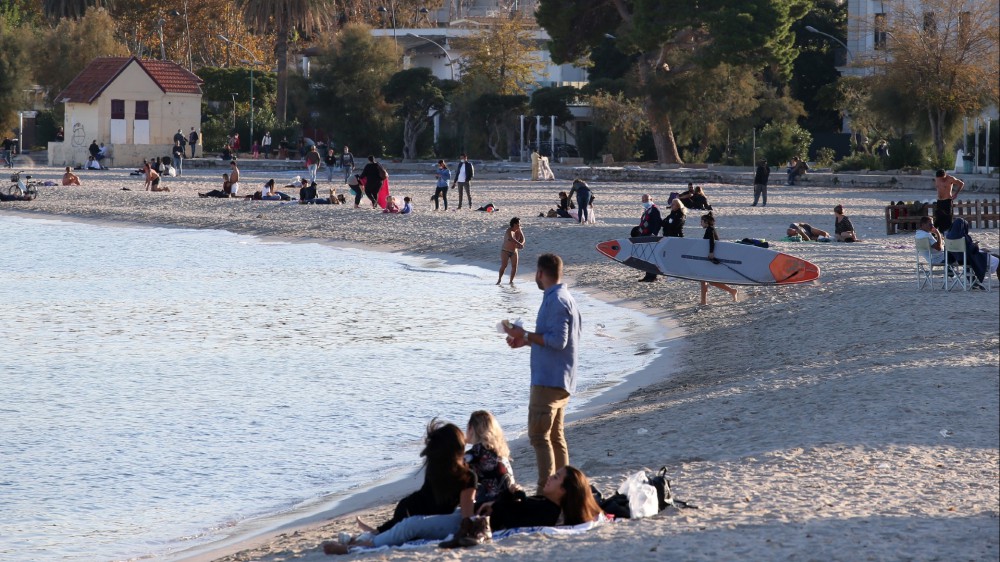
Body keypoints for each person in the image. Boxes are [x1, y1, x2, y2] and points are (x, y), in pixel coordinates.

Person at [331, 465, 600, 555]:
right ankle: (369, 539)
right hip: (477, 516)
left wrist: (494, 506)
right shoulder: (548, 506)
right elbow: (516, 509)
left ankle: (360, 547)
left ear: (564, 491)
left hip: (472, 523)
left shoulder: (546, 513)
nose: (550, 477)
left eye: (556, 478)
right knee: (418, 522)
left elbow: (511, 518)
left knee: (413, 525)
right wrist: (503, 500)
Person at [332, 420, 477, 554]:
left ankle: (361, 542)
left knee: (400, 528)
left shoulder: (440, 468)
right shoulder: (460, 474)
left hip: (412, 509)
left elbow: (465, 516)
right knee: (400, 528)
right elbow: (465, 515)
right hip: (411, 511)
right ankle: (363, 541)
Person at [502, 253, 582, 492]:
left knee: (539, 437)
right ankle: (562, 490)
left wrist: (524, 335)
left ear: (540, 273)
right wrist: (525, 341)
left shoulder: (556, 300)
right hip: (561, 379)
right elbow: (555, 340)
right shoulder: (564, 298)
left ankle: (545, 491)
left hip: (549, 381)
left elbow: (558, 341)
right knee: (555, 437)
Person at [464, 410, 519, 506]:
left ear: (471, 428)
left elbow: (452, 466)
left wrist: (458, 443)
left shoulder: (478, 451)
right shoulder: (498, 450)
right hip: (509, 501)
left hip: (493, 506)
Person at [945, 218, 1000, 286]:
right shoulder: (963, 237)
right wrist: (975, 245)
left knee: (989, 253)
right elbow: (972, 250)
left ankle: (973, 281)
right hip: (971, 259)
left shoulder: (948, 237)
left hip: (958, 259)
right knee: (998, 258)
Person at [700, 213, 738, 305]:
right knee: (703, 279)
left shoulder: (710, 229)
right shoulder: (709, 229)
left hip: (712, 257)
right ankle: (703, 301)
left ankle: (732, 291)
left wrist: (711, 252)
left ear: (706, 222)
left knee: (710, 281)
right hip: (710, 257)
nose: (700, 224)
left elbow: (712, 241)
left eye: (701, 221)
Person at [632, 194, 664, 282]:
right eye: (643, 200)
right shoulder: (647, 210)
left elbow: (658, 222)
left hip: (651, 236)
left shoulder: (654, 209)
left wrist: (654, 234)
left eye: (646, 200)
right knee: (646, 257)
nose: (644, 202)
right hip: (644, 236)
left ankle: (652, 276)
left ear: (651, 199)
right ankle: (648, 275)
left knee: (652, 257)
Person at [497, 217, 525, 285]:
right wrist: (519, 244)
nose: (519, 225)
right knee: (504, 265)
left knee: (514, 266)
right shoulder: (509, 230)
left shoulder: (519, 229)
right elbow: (511, 239)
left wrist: (521, 244)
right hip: (505, 251)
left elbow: (523, 238)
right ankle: (499, 279)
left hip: (514, 251)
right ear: (514, 224)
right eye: (518, 224)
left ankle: (511, 281)